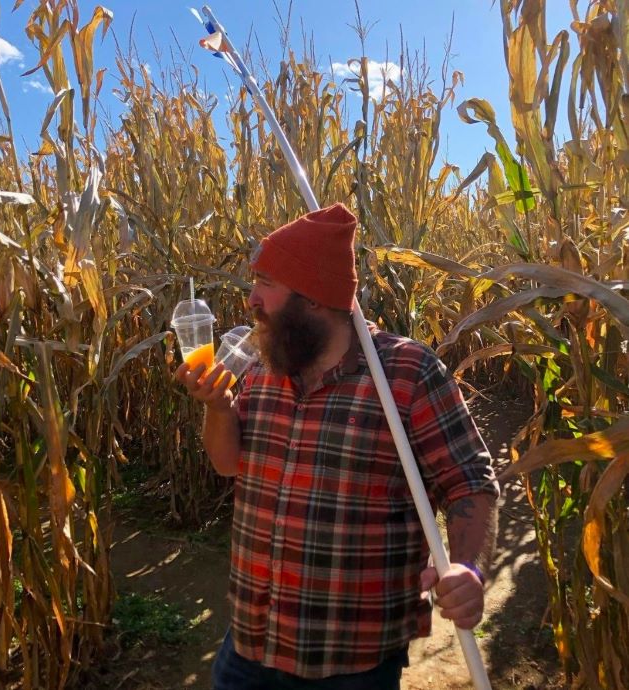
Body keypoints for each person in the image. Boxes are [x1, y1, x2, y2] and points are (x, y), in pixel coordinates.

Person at [175, 203, 499, 690]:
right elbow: (228, 464)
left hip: (352, 662)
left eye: (266, 283)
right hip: (249, 643)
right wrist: (219, 407)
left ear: (315, 299)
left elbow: (469, 481)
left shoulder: (405, 373)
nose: (250, 300)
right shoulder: (262, 365)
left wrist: (468, 568)